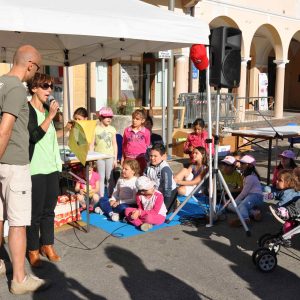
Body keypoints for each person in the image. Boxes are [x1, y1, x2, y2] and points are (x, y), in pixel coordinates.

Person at [0, 45, 50, 294]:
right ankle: (19, 279)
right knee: (18, 223)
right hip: (13, 164)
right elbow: (5, 129)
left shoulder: (0, 83)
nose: (36, 72)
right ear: (30, 64)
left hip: (2, 164)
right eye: (37, 67)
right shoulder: (18, 90)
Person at [26, 72, 62, 269]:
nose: (49, 90)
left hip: (51, 167)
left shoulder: (49, 109)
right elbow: (33, 136)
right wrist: (50, 117)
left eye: (51, 86)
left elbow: (51, 139)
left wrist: (58, 164)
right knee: (35, 213)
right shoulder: (27, 109)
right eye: (45, 86)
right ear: (34, 88)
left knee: (49, 211)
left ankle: (47, 245)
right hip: (35, 168)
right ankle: (32, 249)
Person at [228, 155, 263, 227]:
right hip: (250, 196)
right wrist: (234, 202)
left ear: (250, 166)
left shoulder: (250, 177)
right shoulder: (247, 176)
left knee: (241, 205)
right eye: (241, 163)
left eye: (243, 164)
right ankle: (254, 213)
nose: (241, 165)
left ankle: (245, 218)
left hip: (256, 196)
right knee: (230, 206)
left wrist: (235, 201)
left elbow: (244, 192)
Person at [144, 143, 177, 212]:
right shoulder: (148, 165)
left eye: (155, 156)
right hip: (155, 191)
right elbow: (144, 180)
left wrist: (164, 207)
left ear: (162, 156)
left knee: (160, 212)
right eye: (151, 156)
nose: (152, 158)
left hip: (167, 193)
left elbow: (167, 189)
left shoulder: (165, 169)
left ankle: (174, 203)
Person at [92, 107, 117, 197]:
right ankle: (101, 196)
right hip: (98, 157)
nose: (109, 119)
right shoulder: (95, 129)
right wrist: (92, 158)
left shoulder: (112, 129)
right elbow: (92, 144)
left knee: (110, 178)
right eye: (106, 117)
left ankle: (111, 196)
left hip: (110, 156)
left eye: (110, 117)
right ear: (101, 117)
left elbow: (115, 144)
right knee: (100, 177)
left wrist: (115, 159)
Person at [122, 109, 150, 174]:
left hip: (141, 158)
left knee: (140, 175)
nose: (134, 120)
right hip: (129, 158)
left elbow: (147, 144)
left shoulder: (146, 132)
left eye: (137, 119)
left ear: (142, 120)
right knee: (128, 176)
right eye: (133, 118)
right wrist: (123, 158)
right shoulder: (127, 130)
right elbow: (124, 144)